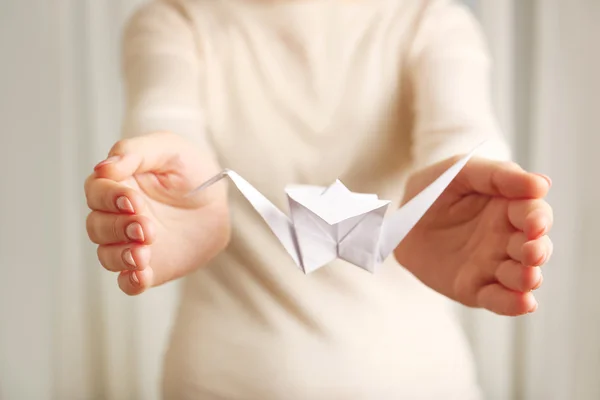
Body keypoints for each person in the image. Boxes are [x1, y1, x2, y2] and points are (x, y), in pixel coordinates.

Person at [84, 0, 553, 398]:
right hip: (224, 383)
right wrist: (163, 187)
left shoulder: (429, 20)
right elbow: (166, 122)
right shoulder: (176, 20)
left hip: (417, 383)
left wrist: (482, 185)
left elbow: (464, 134)